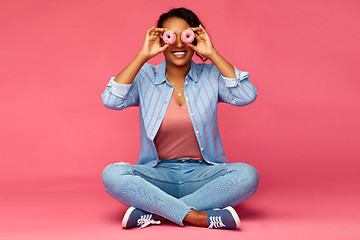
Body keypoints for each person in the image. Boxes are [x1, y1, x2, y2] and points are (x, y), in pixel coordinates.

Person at [101, 7, 259, 229]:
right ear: (161, 40)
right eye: (170, 37)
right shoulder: (146, 76)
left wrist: (212, 53)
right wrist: (143, 55)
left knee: (247, 175)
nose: (178, 44)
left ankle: (158, 214)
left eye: (185, 36)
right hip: (158, 176)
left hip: (202, 176)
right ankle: (199, 217)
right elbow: (110, 99)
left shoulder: (211, 75)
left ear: (194, 38)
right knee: (113, 174)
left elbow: (246, 94)